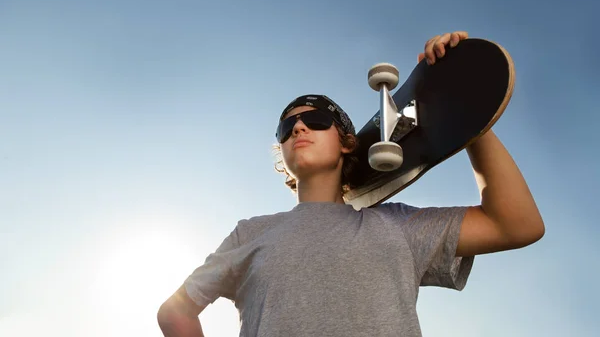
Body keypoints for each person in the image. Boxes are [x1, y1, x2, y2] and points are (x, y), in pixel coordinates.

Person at [156, 31, 545, 337]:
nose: (299, 127)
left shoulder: (398, 227)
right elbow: (175, 312)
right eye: (286, 127)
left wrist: (463, 109)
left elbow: (516, 224)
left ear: (346, 142)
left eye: (316, 120)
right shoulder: (250, 233)